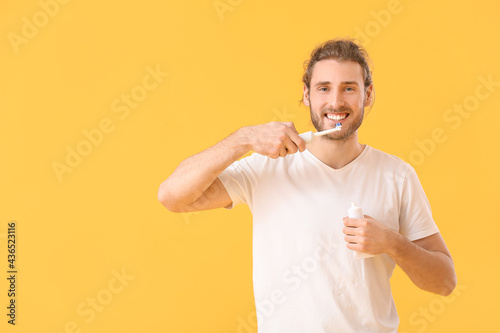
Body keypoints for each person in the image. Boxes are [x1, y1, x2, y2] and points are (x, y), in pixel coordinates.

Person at [158, 38, 457, 332]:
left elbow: (444, 282)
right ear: (306, 95)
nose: (336, 102)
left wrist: (394, 244)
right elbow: (172, 196)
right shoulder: (267, 166)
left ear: (367, 95)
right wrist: (244, 138)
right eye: (324, 88)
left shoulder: (397, 176)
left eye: (349, 89)